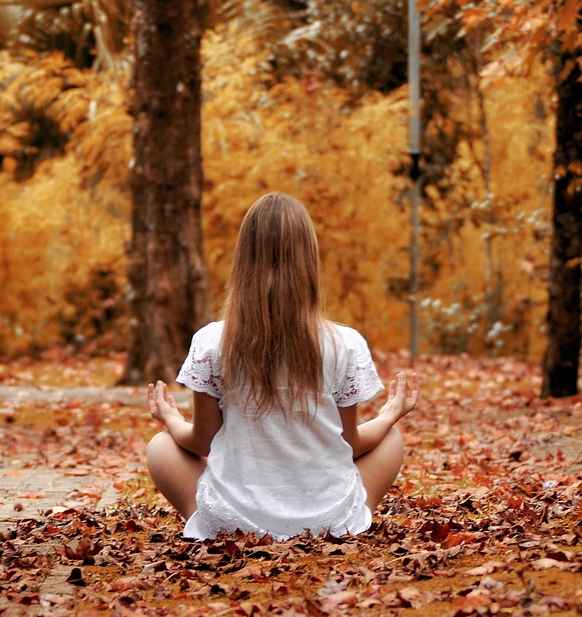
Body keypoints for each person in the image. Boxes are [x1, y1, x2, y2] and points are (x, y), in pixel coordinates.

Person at [145, 191, 420, 540]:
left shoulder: (212, 342)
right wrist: (389, 414)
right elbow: (349, 444)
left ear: (243, 260)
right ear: (309, 260)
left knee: (160, 446)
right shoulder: (344, 344)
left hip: (236, 524)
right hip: (325, 525)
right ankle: (344, 522)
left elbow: (202, 442)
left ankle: (219, 524)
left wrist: (169, 419)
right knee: (391, 438)